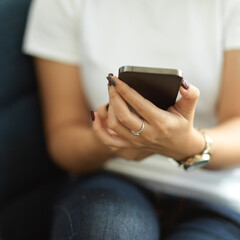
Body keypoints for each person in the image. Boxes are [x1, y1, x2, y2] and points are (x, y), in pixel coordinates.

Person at [23, 0, 240, 239]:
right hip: (111, 180)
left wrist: (189, 145)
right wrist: (105, 139)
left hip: (215, 196)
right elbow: (63, 140)